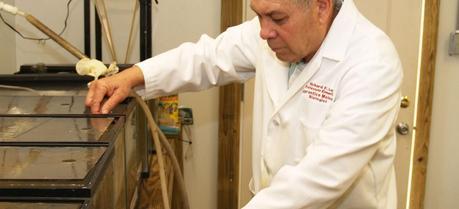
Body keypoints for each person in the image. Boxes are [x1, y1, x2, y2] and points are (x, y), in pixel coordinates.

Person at [86, 0, 402, 208]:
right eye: (258, 15)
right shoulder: (270, 29)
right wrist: (134, 76)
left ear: (321, 6)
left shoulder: (372, 62)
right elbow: (206, 57)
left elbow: (323, 174)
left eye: (277, 18)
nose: (264, 32)